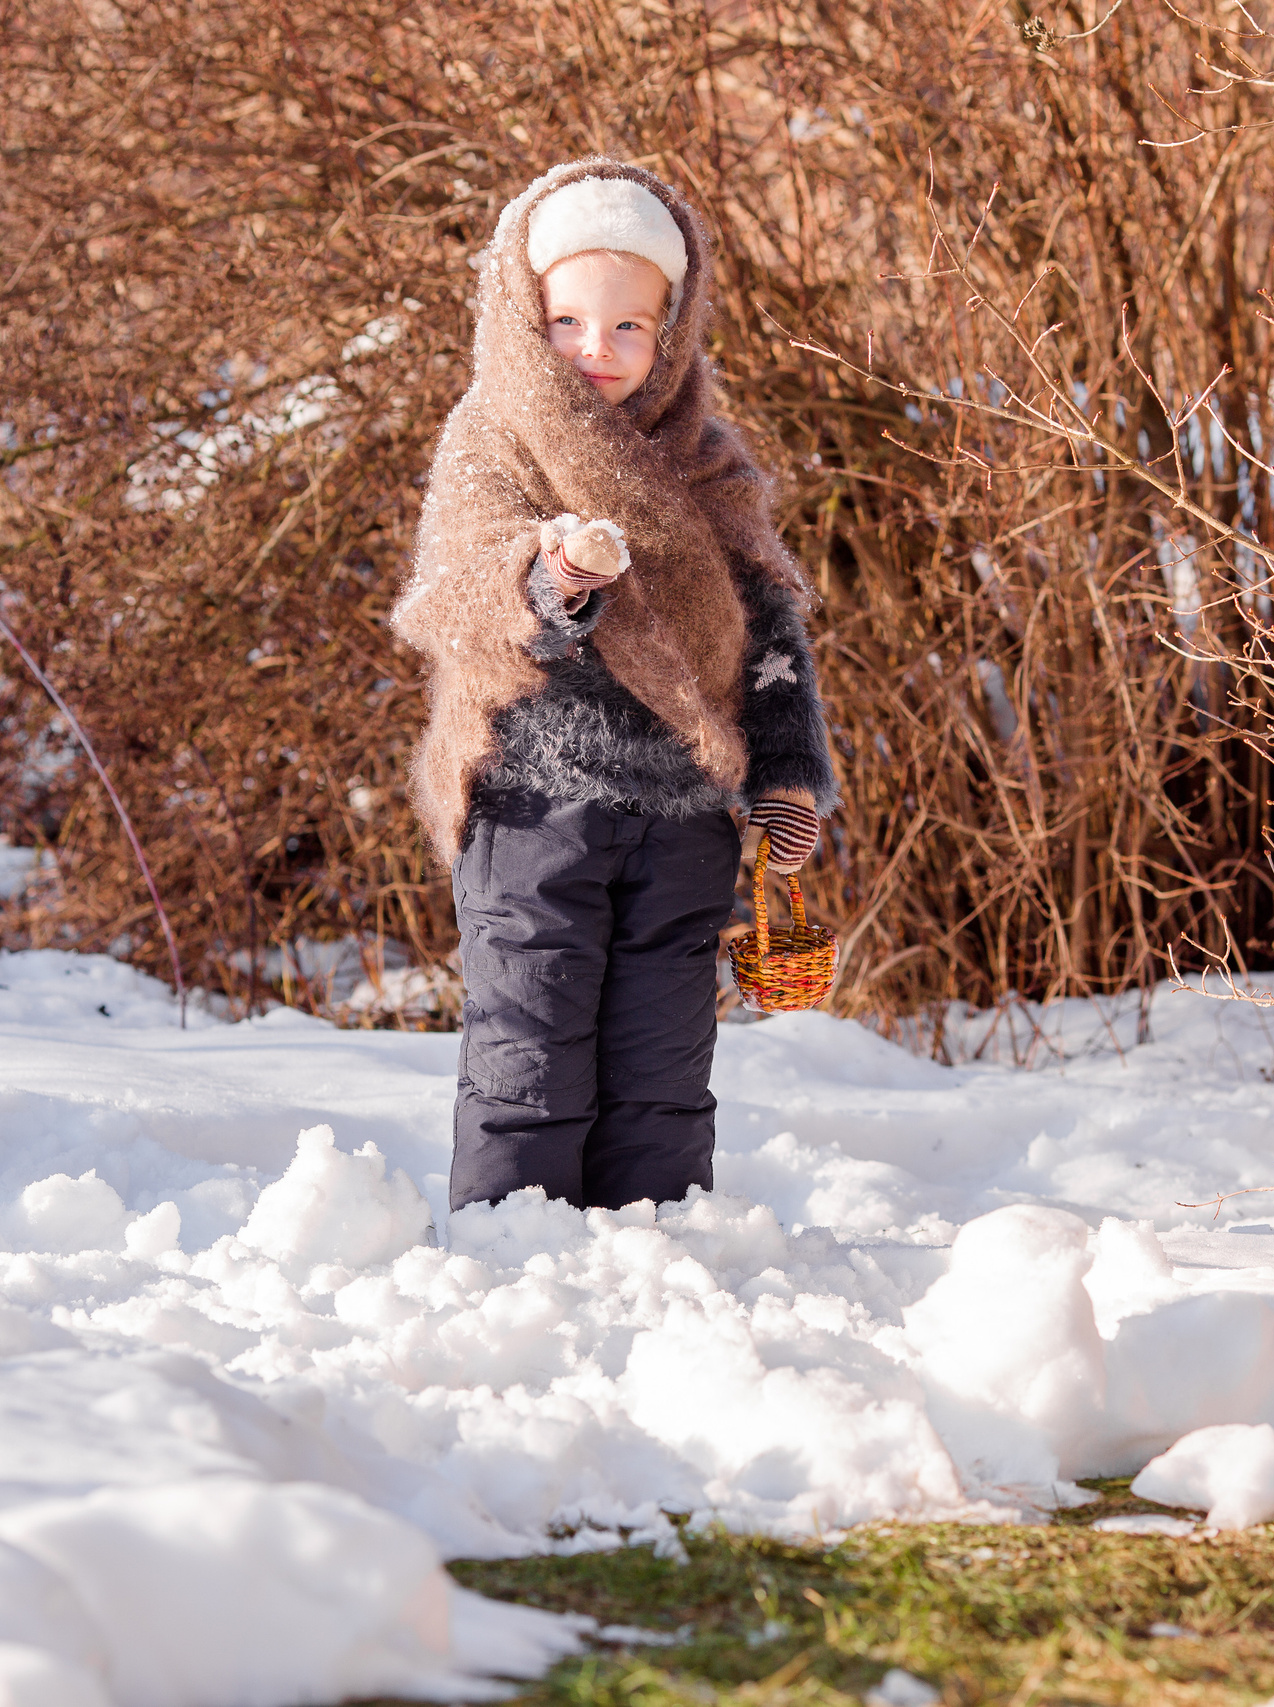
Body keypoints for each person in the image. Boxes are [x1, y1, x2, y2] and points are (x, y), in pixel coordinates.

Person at [390, 159, 837, 1215]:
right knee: (528, 1057)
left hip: (683, 810)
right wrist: (547, 581)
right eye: (568, 321)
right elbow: (454, 593)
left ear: (673, 328)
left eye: (631, 326)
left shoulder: (707, 459)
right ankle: (516, 1257)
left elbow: (766, 623)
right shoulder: (492, 441)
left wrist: (784, 770)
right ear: (521, 311)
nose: (599, 348)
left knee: (662, 1071)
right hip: (532, 805)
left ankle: (654, 1247)